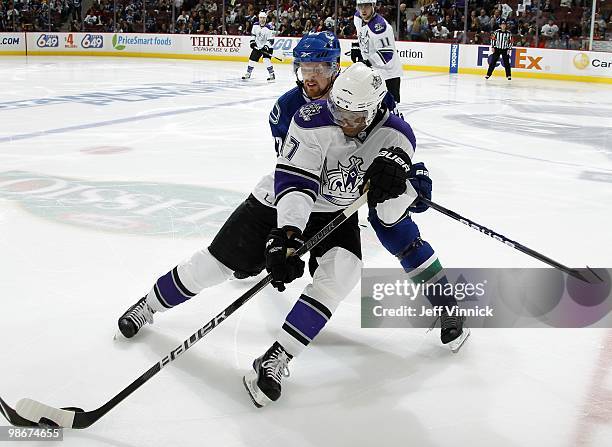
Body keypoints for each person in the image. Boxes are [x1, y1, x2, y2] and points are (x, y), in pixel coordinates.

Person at [118, 52, 467, 408]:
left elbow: (399, 171)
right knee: (214, 266)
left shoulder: (396, 131)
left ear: (377, 109)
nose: (343, 120)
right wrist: (286, 236)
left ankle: (278, 356)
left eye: (353, 116)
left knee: (344, 271)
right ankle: (148, 305)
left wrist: (409, 179)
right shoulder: (310, 119)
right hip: (279, 202)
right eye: (339, 110)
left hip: (336, 212)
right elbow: (296, 184)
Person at [351, 0, 403, 103]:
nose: (363, 10)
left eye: (366, 6)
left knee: (389, 111)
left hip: (388, 75)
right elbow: (362, 34)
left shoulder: (380, 27)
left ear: (373, 6)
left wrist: (367, 62)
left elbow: (386, 54)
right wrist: (356, 46)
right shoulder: (358, 17)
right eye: (360, 6)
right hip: (372, 72)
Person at [242, 11, 276, 81]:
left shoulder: (270, 27)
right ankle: (248, 73)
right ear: (259, 18)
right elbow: (253, 35)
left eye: (263, 18)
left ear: (266, 19)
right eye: (261, 18)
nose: (262, 19)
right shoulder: (255, 25)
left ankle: (272, 74)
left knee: (266, 60)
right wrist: (252, 42)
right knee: (252, 59)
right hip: (258, 46)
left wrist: (265, 47)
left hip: (268, 47)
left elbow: (271, 40)